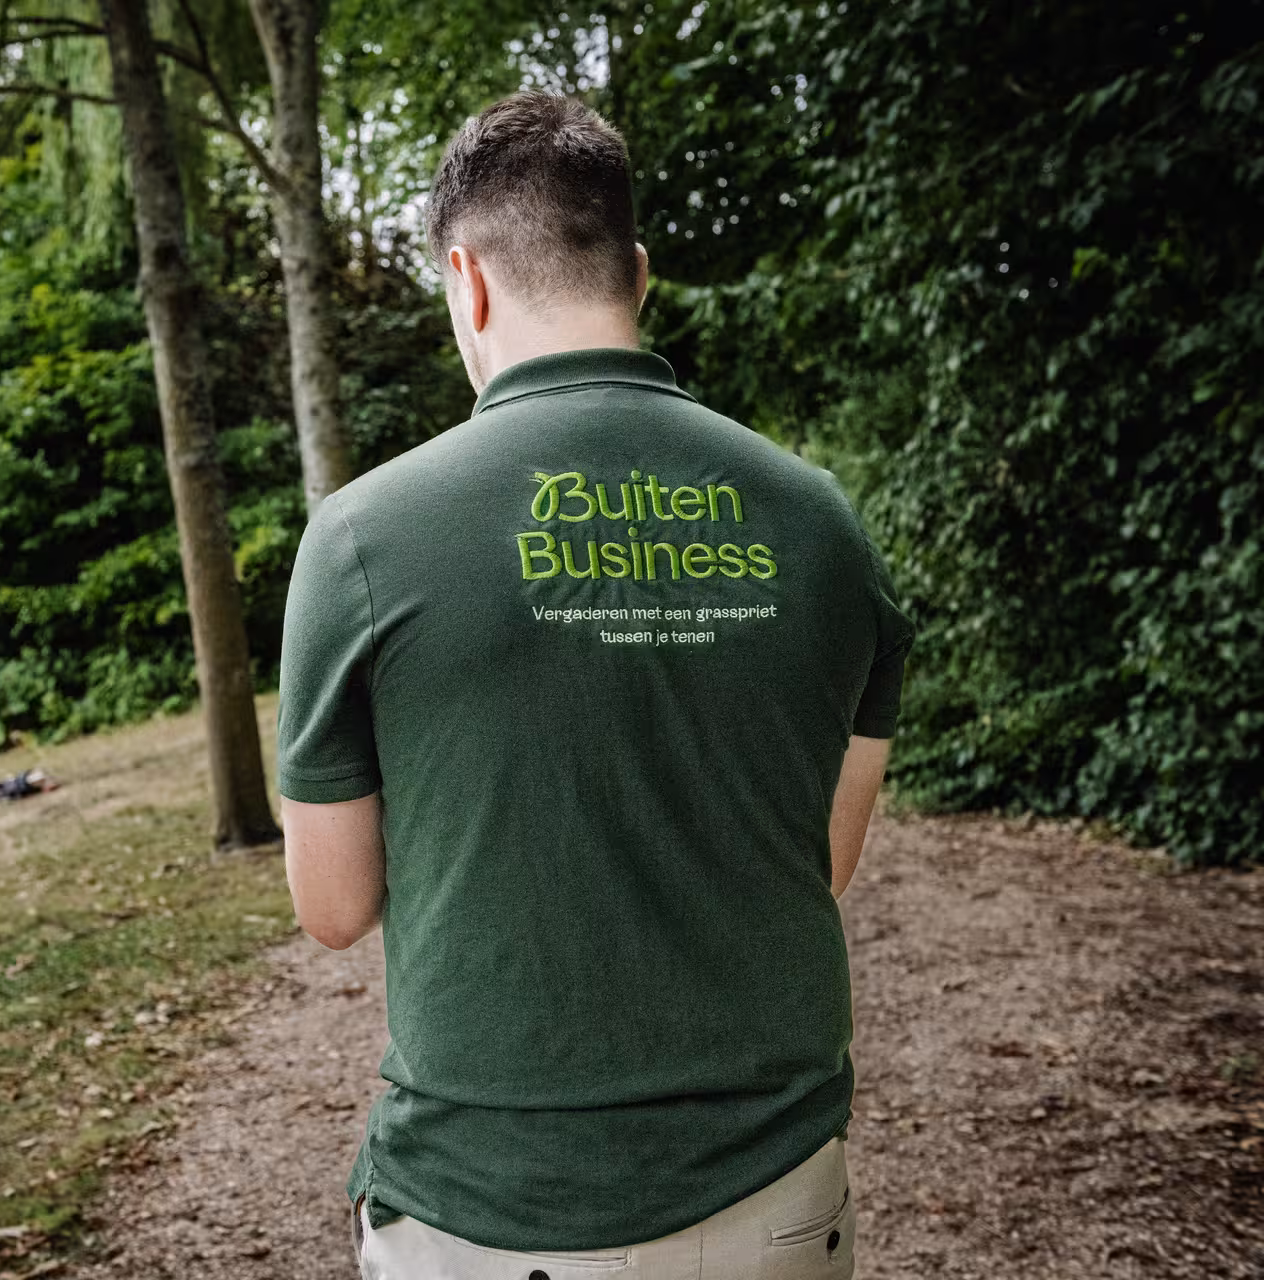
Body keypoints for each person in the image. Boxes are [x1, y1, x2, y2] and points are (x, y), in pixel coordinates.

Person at [277, 92, 914, 1279]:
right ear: (638, 271)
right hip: (776, 1192)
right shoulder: (822, 523)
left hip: (487, 1206)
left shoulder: (362, 537)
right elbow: (816, 858)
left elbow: (334, 903)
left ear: (465, 282)